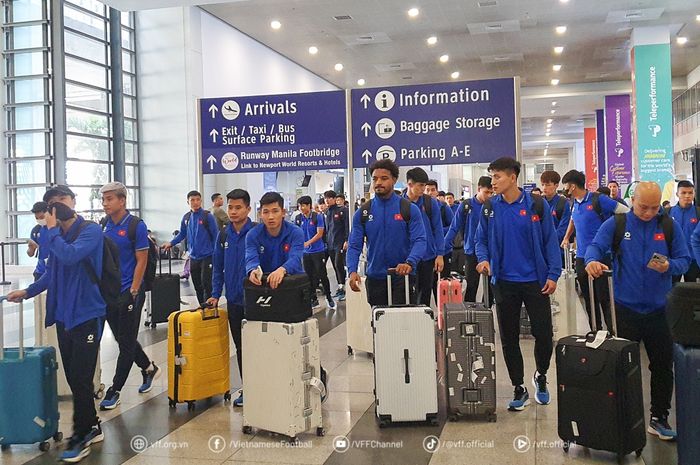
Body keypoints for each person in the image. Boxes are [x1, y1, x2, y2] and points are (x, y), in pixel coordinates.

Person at [6, 185, 105, 462]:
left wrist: (50, 232)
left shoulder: (91, 230)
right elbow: (52, 271)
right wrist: (28, 291)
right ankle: (93, 424)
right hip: (64, 315)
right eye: (52, 202)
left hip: (87, 313)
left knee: (82, 380)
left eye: (62, 200)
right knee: (75, 378)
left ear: (73, 201)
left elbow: (71, 255)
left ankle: (80, 434)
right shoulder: (55, 234)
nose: (57, 206)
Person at [585, 182, 690, 441]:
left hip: (660, 310)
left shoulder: (668, 226)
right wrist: (592, 261)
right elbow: (595, 246)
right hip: (625, 309)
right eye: (644, 207)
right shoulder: (617, 225)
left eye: (655, 208)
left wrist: (669, 266)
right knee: (622, 367)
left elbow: (685, 259)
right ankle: (623, 416)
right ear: (633, 201)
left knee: (663, 366)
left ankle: (659, 417)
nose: (649, 213)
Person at [475, 157, 561, 411]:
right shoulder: (490, 207)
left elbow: (550, 242)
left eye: (498, 177)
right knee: (509, 337)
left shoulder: (536, 205)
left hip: (535, 281)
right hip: (504, 282)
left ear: (513, 178)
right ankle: (518, 387)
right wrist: (483, 259)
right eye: (491, 177)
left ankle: (541, 375)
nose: (493, 182)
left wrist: (553, 274)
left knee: (543, 334)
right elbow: (480, 240)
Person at [97, 182, 160, 411]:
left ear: (122, 200)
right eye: (103, 199)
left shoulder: (135, 226)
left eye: (109, 199)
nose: (105, 203)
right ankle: (148, 368)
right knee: (122, 337)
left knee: (125, 343)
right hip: (111, 291)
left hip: (131, 290)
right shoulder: (104, 225)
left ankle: (115, 389)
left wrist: (134, 289)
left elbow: (141, 259)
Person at [347, 159, 426, 306]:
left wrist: (410, 262)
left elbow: (420, 240)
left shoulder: (408, 209)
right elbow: (354, 245)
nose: (378, 183)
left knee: (404, 326)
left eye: (384, 178)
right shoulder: (363, 212)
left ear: (394, 180)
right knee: (379, 323)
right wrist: (352, 271)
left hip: (403, 276)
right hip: (375, 278)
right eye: (375, 179)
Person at [561, 170, 629, 330]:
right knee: (589, 298)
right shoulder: (575, 204)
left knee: (604, 298)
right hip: (581, 257)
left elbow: (625, 212)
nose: (564, 189)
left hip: (601, 256)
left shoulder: (599, 200)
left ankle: (613, 332)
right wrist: (566, 237)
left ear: (571, 186)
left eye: (565, 186)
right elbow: (573, 220)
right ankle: (595, 330)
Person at [207, 189, 256, 407]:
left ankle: (265, 385)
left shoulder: (257, 232)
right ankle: (249, 387)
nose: (234, 211)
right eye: (230, 207)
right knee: (240, 347)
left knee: (260, 345)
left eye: (238, 207)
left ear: (248, 208)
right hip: (234, 300)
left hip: (256, 301)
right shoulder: (224, 234)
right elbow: (217, 267)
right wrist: (216, 294)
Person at [162, 190, 218, 305]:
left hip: (207, 256)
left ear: (201, 201)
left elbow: (216, 235)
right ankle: (202, 307)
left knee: (207, 283)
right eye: (192, 200)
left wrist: (217, 254)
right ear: (188, 201)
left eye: (198, 200)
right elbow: (182, 234)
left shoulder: (208, 217)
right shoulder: (186, 217)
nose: (195, 202)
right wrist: (171, 243)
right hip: (193, 256)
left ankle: (209, 309)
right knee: (197, 285)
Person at [445, 176, 494, 302]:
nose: (489, 195)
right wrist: (442, 250)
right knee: (472, 286)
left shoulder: (494, 206)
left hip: (491, 253)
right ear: (478, 189)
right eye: (486, 192)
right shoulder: (466, 206)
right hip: (471, 252)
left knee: (491, 287)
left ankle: (486, 311)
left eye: (491, 192)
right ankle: (470, 315)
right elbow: (454, 227)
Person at [246, 192, 305, 288]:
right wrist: (252, 269)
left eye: (275, 211)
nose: (270, 217)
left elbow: (296, 257)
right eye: (266, 212)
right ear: (260, 214)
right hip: (264, 285)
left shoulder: (296, 232)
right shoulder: (253, 235)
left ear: (283, 212)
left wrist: (283, 269)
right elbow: (251, 257)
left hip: (292, 284)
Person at [404, 169, 445, 306]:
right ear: (409, 184)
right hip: (407, 257)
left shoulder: (430, 203)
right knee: (407, 294)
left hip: (427, 256)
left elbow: (438, 229)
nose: (423, 189)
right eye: (420, 186)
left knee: (424, 294)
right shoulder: (400, 204)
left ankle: (424, 323)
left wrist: (440, 254)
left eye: (424, 185)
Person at [296, 195, 336, 310]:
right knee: (308, 276)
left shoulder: (317, 217)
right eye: (299, 206)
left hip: (318, 251)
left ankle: (329, 297)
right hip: (305, 253)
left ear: (309, 205)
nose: (301, 208)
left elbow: (319, 233)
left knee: (322, 274)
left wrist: (307, 243)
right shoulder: (299, 218)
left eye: (303, 205)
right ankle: (313, 299)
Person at [668, 180, 699, 283]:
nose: (687, 196)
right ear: (677, 194)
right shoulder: (668, 213)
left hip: (693, 260)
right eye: (683, 193)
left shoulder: (698, 213)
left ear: (694, 193)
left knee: (692, 293)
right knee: (671, 291)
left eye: (690, 193)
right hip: (674, 259)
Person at [324, 190, 350, 300]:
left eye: (330, 198)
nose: (327, 200)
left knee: (339, 264)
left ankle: (343, 287)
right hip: (330, 244)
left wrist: (347, 240)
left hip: (340, 243)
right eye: (326, 198)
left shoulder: (342, 210)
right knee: (335, 266)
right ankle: (340, 287)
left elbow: (347, 226)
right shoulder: (327, 213)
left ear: (334, 199)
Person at [540, 170, 571, 246]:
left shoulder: (563, 203)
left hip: (557, 246)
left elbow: (563, 228)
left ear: (556, 185)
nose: (544, 188)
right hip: (540, 246)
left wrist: (549, 241)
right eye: (542, 184)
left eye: (548, 185)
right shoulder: (538, 202)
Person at [28, 201, 50, 282]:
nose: (39, 220)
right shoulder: (36, 230)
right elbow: (30, 254)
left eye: (42, 217)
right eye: (37, 218)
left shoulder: (58, 229)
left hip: (56, 270)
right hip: (40, 271)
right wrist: (31, 247)